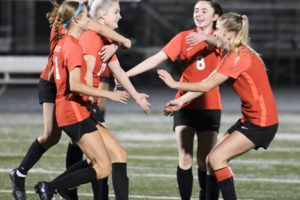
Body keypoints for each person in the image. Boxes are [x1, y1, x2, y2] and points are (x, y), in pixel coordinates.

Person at [9, 0, 133, 200]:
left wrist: (115, 46)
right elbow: (94, 26)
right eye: (84, 13)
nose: (87, 13)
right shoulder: (71, 20)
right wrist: (123, 41)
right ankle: (39, 181)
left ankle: (59, 188)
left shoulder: (71, 30)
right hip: (59, 87)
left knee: (86, 146)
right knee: (56, 136)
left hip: (64, 85)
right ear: (76, 17)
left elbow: (97, 30)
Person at [158, 12, 279, 200]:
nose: (215, 35)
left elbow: (206, 85)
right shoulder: (232, 54)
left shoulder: (239, 57)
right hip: (250, 119)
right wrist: (180, 101)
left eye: (219, 31)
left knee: (216, 159)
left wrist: (175, 85)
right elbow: (208, 82)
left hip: (261, 123)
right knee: (209, 161)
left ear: (229, 34)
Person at [123, 1, 223, 199]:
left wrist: (203, 36)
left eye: (204, 11)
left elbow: (220, 42)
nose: (199, 14)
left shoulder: (221, 36)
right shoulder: (183, 37)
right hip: (184, 104)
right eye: (196, 10)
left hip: (210, 105)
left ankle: (206, 195)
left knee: (206, 160)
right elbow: (156, 58)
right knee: (185, 158)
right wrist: (125, 75)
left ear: (215, 17)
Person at [64, 0, 152, 199]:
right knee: (110, 156)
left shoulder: (105, 40)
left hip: (88, 103)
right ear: (102, 16)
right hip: (83, 104)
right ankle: (58, 187)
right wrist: (93, 107)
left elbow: (118, 71)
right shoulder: (92, 37)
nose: (120, 16)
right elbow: (84, 77)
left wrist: (137, 96)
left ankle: (62, 188)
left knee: (103, 157)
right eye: (116, 12)